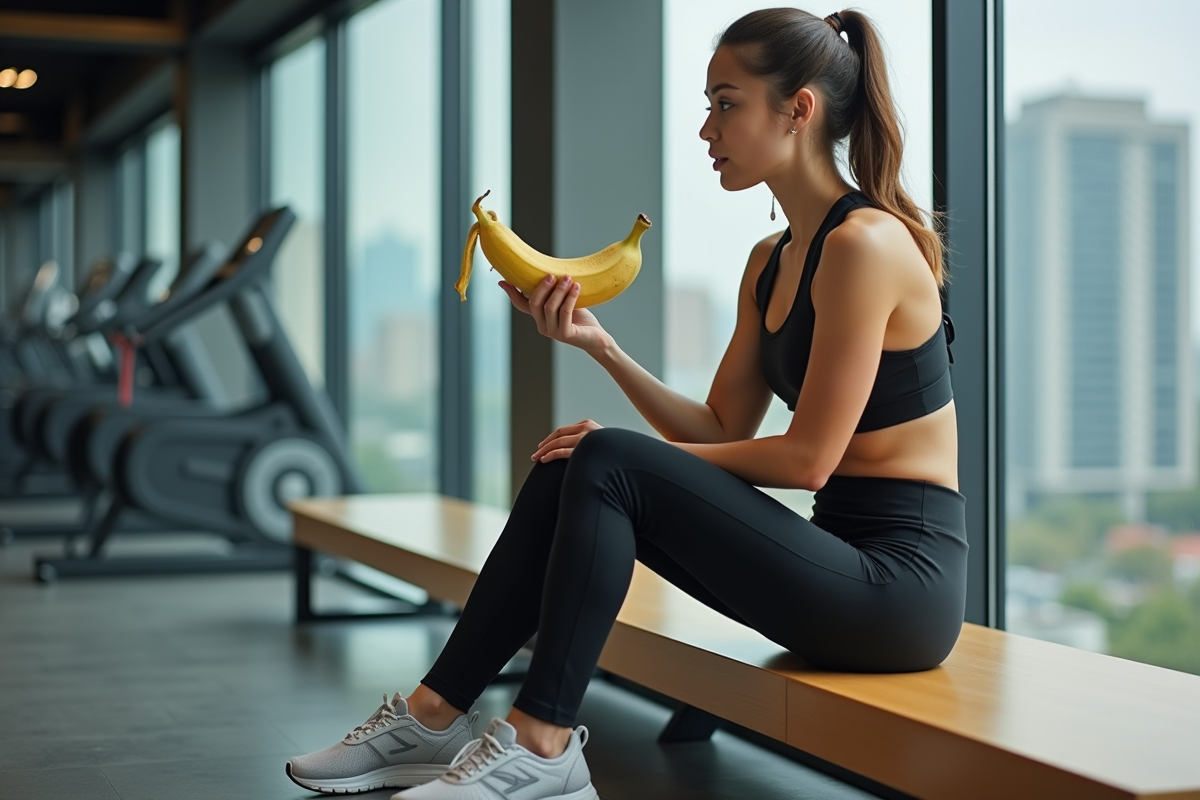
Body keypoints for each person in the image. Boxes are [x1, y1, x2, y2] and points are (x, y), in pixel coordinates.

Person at [285, 7, 966, 800]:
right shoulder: (770, 261)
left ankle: (541, 746)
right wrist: (598, 345)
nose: (705, 129)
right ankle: (433, 717)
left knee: (601, 456)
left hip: (898, 593)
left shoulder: (866, 245)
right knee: (568, 464)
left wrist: (621, 453)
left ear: (799, 109)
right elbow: (720, 430)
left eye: (726, 103)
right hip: (833, 569)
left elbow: (807, 462)